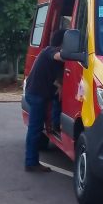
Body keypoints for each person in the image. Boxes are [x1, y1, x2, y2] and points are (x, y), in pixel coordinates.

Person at [24, 29, 66, 172]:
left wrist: (59, 85)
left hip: (38, 93)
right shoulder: (50, 51)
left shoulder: (50, 55)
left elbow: (54, 77)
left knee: (56, 99)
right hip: (36, 95)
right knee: (35, 130)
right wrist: (79, 53)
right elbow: (59, 56)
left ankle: (55, 124)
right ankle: (31, 162)